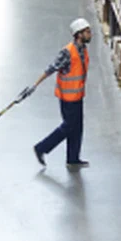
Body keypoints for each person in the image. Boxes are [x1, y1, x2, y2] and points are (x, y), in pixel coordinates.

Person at [32, 18, 92, 169]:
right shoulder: (67, 52)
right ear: (78, 34)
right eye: (87, 31)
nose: (90, 34)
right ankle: (41, 148)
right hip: (68, 98)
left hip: (78, 96)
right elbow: (51, 68)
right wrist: (35, 84)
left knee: (77, 128)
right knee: (68, 127)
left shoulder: (83, 49)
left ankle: (73, 158)